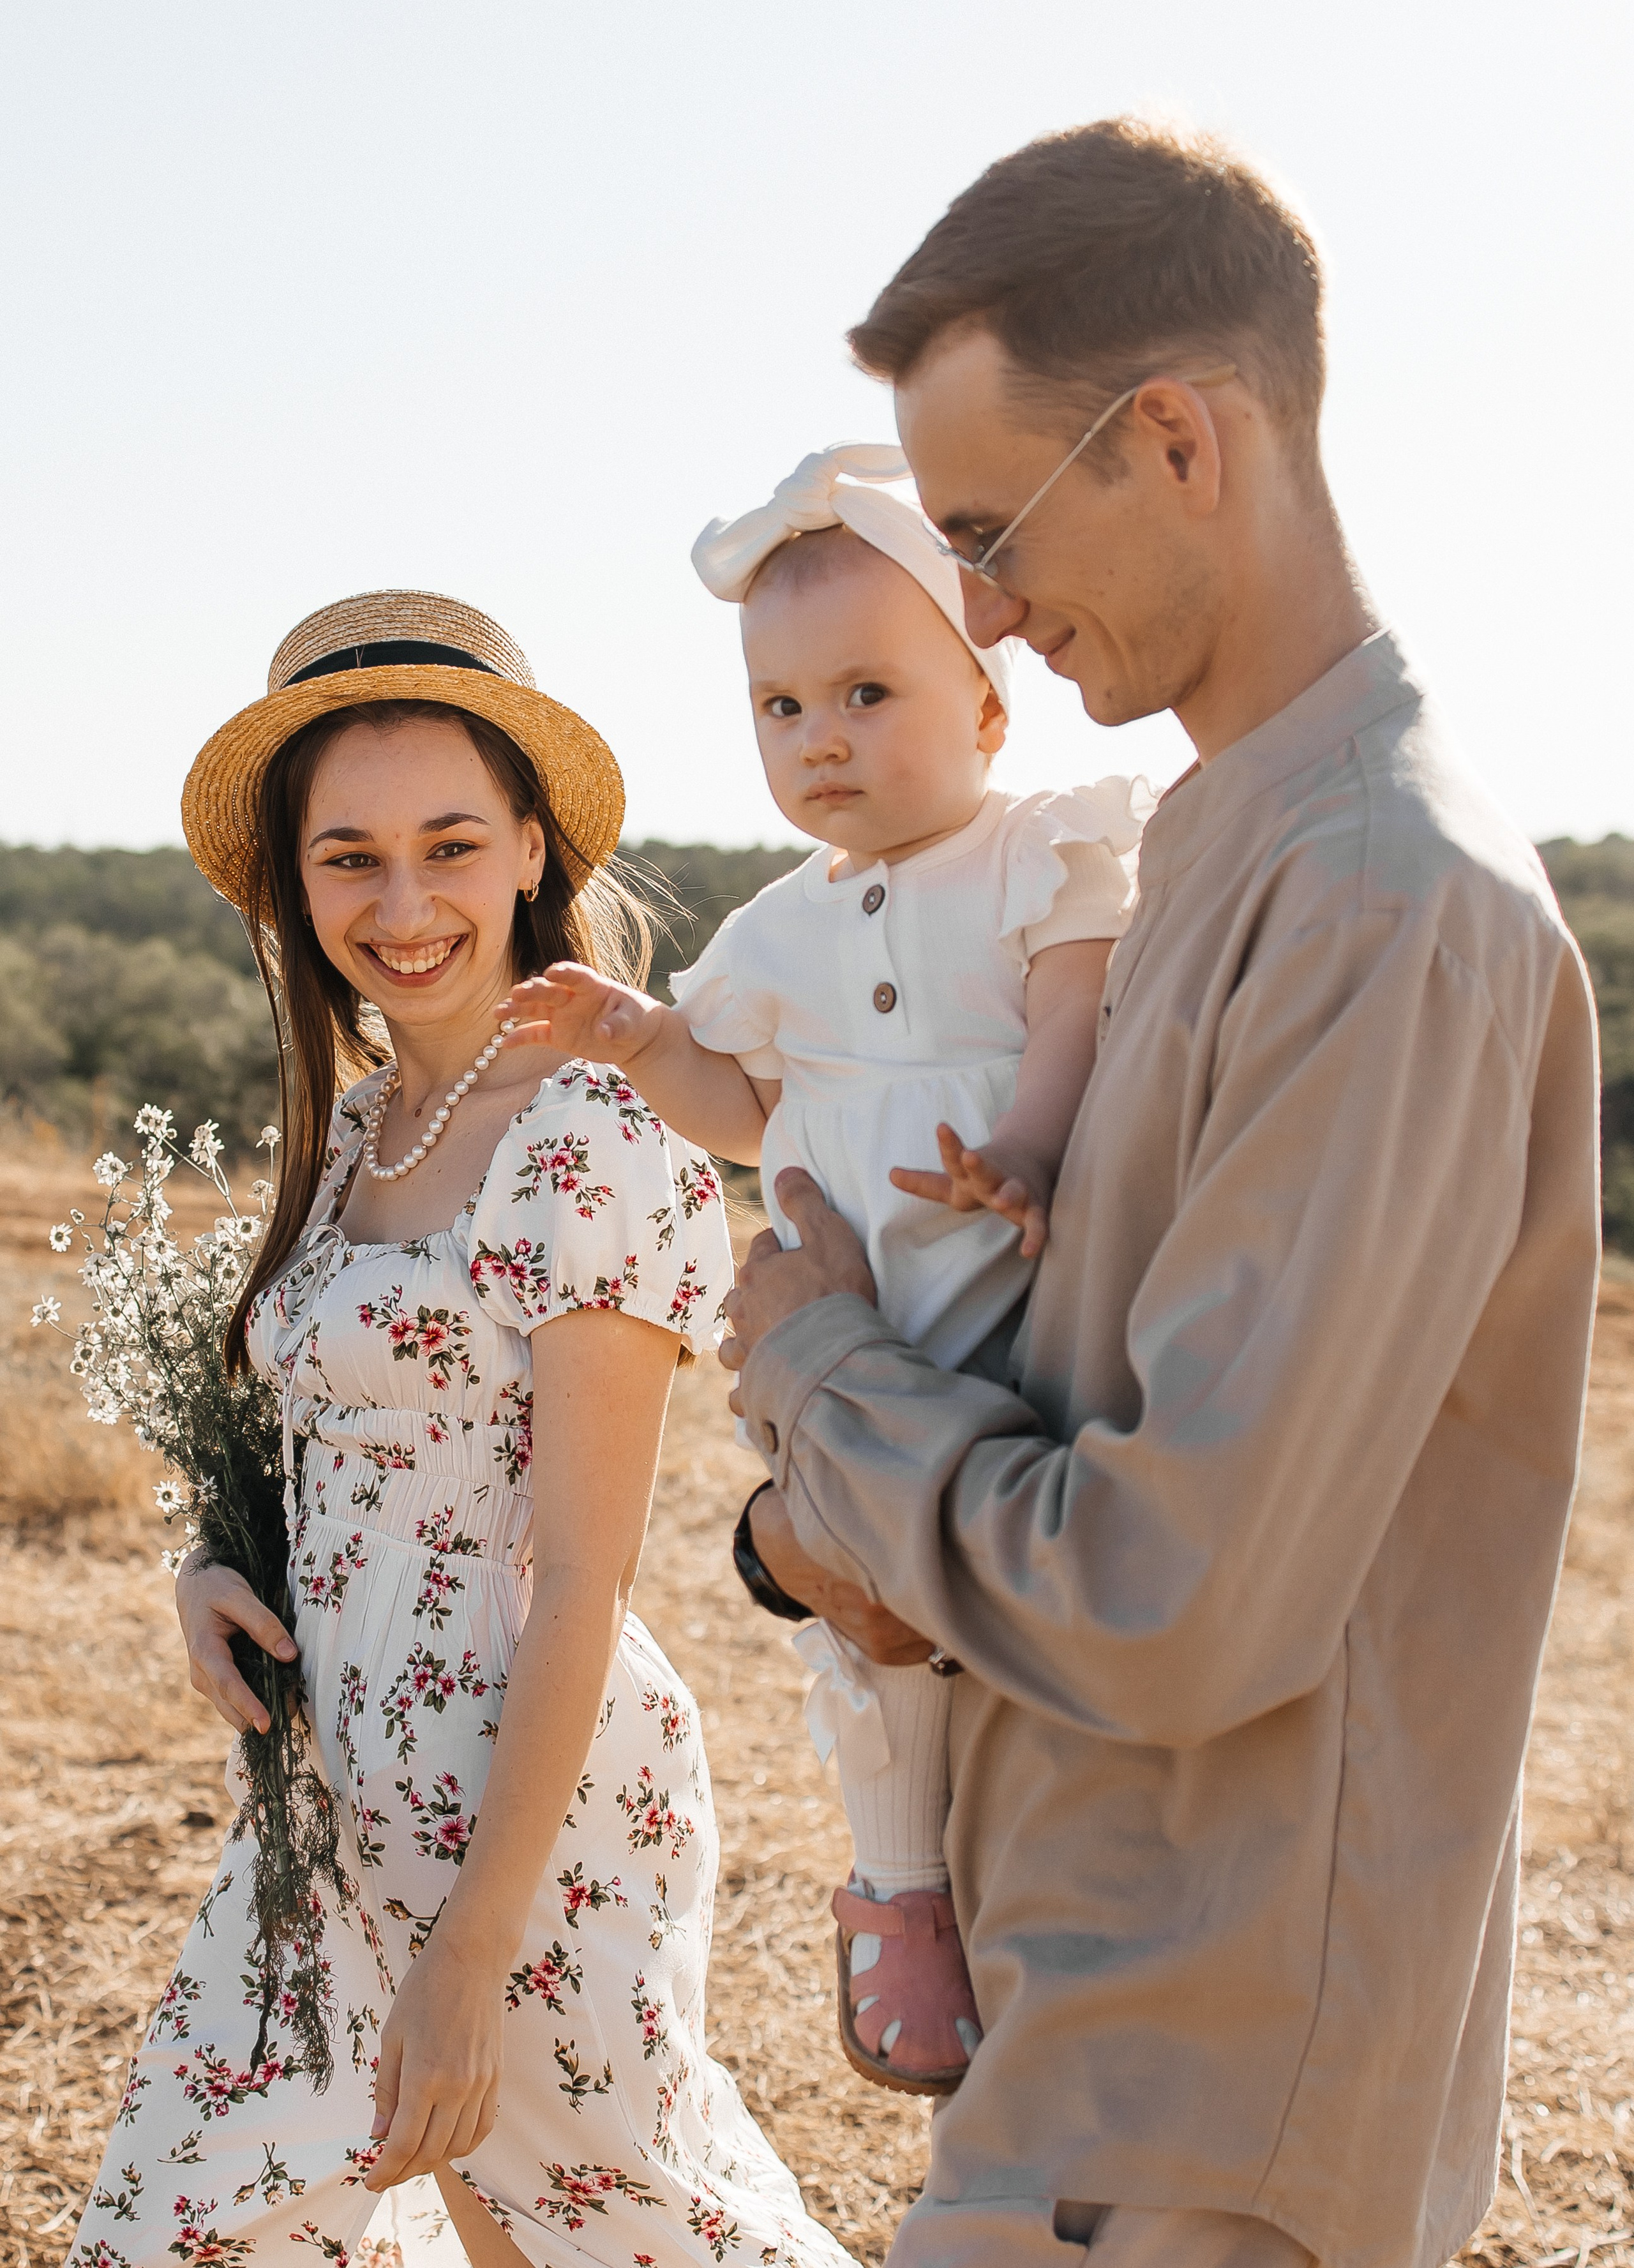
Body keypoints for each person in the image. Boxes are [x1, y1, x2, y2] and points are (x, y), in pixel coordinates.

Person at [717, 121, 1602, 2268]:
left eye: (996, 533)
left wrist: (820, 1373)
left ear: (1181, 440)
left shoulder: (1381, 902)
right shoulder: (1216, 853)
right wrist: (804, 1542)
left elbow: (1172, 1593)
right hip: (1093, 2036)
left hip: (1207, 2101)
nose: (987, 616)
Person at [72, 590, 852, 2268]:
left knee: (622, 2232)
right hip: (326, 1789)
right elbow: (331, 1436)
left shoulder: (588, 1131)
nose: (402, 902)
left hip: (530, 1820)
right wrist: (217, 1564)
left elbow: (581, 1576)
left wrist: (472, 1948)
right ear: (294, 882)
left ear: (529, 852)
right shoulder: (364, 1126)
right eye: (348, 857)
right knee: (198, 2219)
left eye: (447, 844)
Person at [495, 447, 1151, 2098]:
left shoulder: (1042, 855)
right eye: (780, 708)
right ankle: (898, 1882)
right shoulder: (783, 927)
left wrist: (1031, 1154)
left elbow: (1073, 1027)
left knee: (996, 1596)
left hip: (1001, 1310)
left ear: (991, 709)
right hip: (841, 1350)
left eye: (867, 690)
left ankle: (1017, 1888)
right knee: (861, 1635)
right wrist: (637, 1038)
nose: (822, 739)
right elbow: (740, 1107)